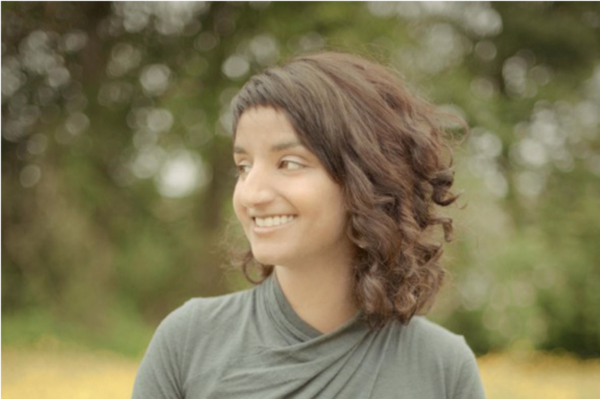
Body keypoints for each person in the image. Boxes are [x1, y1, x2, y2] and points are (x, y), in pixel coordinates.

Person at [132, 51, 486, 399]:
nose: (251, 194)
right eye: (243, 166)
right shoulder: (188, 341)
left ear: (364, 178)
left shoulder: (443, 369)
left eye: (288, 163)